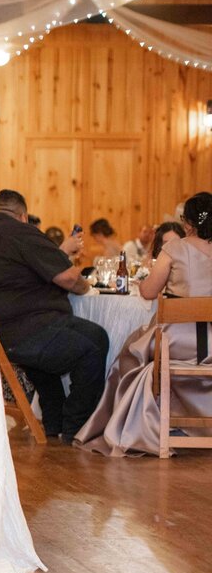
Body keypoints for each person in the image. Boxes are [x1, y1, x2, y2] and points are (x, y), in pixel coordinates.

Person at [0, 189, 108, 443]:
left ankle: (54, 422)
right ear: (23, 215)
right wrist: (88, 289)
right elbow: (68, 277)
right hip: (24, 330)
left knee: (91, 335)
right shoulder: (21, 231)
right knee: (92, 348)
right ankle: (76, 426)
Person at [75, 192, 212, 456]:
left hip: (178, 345)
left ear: (190, 222)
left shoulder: (175, 248)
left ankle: (134, 425)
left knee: (130, 353)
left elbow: (148, 292)